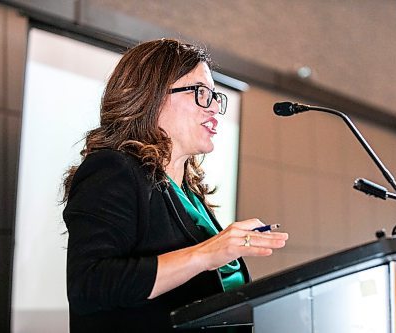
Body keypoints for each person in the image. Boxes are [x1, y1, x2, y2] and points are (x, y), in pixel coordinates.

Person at [62, 38, 288, 333]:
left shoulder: (188, 193)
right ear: (151, 96)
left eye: (215, 97)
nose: (214, 109)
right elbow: (89, 285)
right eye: (201, 93)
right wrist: (207, 253)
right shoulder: (114, 169)